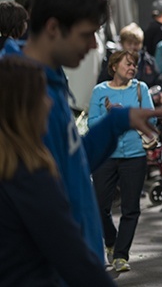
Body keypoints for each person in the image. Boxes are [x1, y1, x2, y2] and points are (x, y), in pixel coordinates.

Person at [0, 0, 162, 268]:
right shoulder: (18, 85)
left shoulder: (47, 76)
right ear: (53, 28)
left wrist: (120, 120)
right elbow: (38, 203)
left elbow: (71, 160)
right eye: (87, 35)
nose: (95, 46)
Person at [0, 57, 117, 287]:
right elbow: (72, 255)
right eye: (42, 96)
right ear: (23, 107)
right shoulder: (30, 178)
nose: (49, 104)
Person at [89, 50, 155, 273]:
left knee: (130, 208)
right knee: (99, 206)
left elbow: (151, 118)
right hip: (105, 156)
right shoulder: (100, 91)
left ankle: (120, 255)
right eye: (128, 64)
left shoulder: (140, 88)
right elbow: (91, 123)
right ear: (114, 66)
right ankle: (111, 240)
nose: (132, 68)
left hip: (134, 155)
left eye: (134, 65)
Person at [97, 22, 160, 87]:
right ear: (122, 44)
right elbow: (102, 85)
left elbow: (158, 82)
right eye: (129, 43)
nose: (132, 47)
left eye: (136, 43)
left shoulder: (149, 62)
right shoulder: (112, 62)